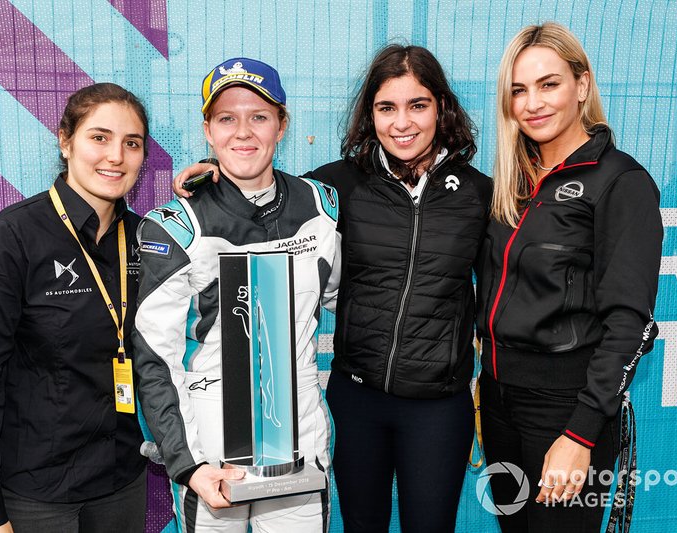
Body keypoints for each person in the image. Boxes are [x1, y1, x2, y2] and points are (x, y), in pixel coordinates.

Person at [174, 45, 492, 532]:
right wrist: (211, 171)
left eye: (418, 105)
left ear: (441, 109)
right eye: (386, 108)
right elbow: (263, 193)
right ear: (370, 115)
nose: (401, 123)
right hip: (358, 399)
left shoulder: (478, 192)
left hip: (438, 406)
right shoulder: (336, 187)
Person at [132, 57, 340, 532]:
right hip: (211, 456)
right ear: (207, 129)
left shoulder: (322, 209)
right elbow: (154, 359)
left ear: (282, 125)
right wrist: (188, 464)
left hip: (298, 448)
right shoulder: (174, 226)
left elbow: (339, 297)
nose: (243, 132)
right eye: (227, 118)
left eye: (259, 117)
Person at [475, 22, 663, 532]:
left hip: (566, 410)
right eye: (519, 90)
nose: (532, 102)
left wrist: (581, 434)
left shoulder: (621, 181)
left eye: (548, 83)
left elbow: (631, 323)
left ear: (582, 86)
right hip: (496, 402)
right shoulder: (511, 183)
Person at [0, 83, 150, 533]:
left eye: (131, 143)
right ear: (65, 140)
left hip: (122, 479)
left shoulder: (145, 239)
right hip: (38, 492)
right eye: (99, 137)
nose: (115, 155)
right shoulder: (9, 238)